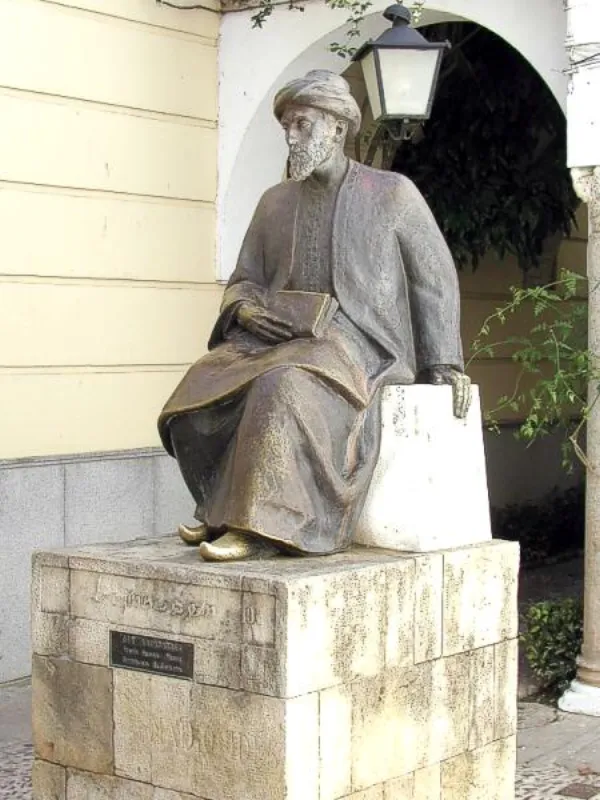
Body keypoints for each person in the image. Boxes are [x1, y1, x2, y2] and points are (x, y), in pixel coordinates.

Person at [158, 69, 470, 562]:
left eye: (302, 124)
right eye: (287, 126)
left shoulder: (391, 193)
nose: (292, 135)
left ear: (338, 128)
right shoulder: (274, 202)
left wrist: (443, 362)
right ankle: (219, 509)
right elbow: (244, 278)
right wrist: (247, 309)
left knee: (283, 387)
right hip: (275, 336)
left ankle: (260, 525)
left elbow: (434, 277)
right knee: (200, 386)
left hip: (358, 343)